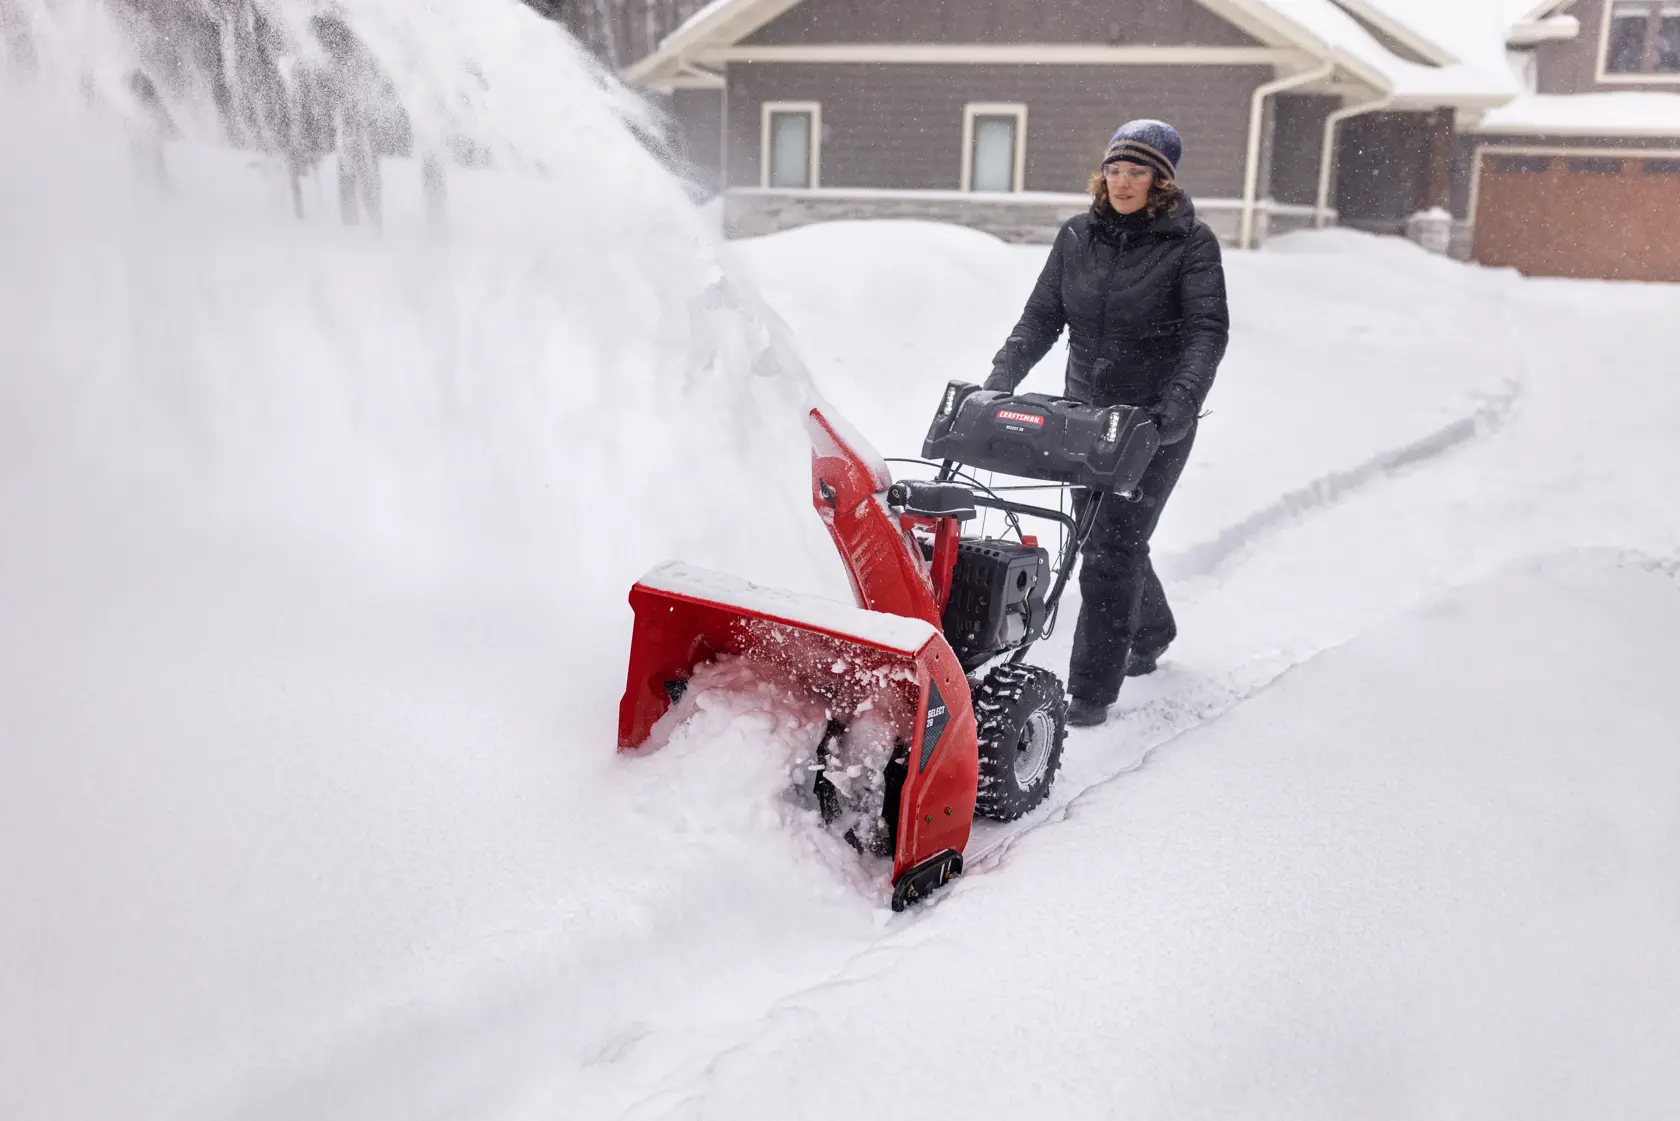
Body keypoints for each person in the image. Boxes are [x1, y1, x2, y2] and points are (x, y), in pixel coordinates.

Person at [984, 119, 1230, 727]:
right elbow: (1042, 316)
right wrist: (1001, 376)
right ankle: (1152, 630)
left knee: (1111, 545)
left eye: (1137, 171)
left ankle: (1091, 691)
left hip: (1153, 420)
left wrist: (1178, 405)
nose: (1122, 182)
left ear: (1160, 181)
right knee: (1104, 535)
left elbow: (1206, 333)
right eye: (1114, 170)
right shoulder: (1077, 236)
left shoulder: (1191, 243)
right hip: (1087, 417)